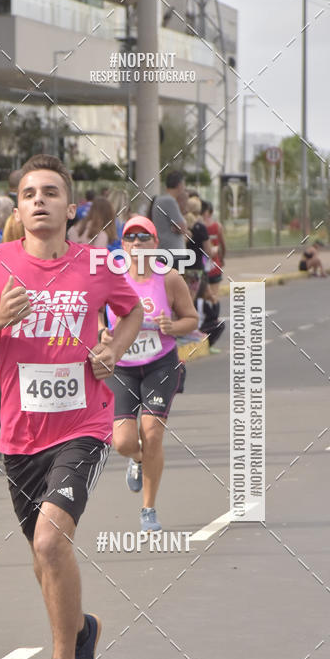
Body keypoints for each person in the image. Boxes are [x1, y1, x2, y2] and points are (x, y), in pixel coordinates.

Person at [0, 154, 143, 659]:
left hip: (84, 423)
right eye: (28, 193)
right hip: (20, 434)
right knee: (44, 556)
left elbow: (129, 315)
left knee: (51, 541)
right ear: (18, 206)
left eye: (50, 192)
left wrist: (114, 349)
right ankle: (80, 629)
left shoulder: (97, 264)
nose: (38, 200)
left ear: (70, 205)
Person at [102, 215, 197, 531]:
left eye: (144, 237)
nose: (137, 243)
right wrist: (102, 332)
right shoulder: (111, 278)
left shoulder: (169, 278)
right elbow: (94, 318)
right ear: (123, 245)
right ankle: (138, 459)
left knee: (152, 433)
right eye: (131, 238)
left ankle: (148, 510)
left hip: (160, 363)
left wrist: (173, 326)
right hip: (123, 368)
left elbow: (192, 320)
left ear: (156, 244)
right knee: (124, 442)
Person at [150, 171, 188, 263]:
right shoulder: (169, 201)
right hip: (173, 253)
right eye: (184, 184)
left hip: (163, 251)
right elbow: (182, 228)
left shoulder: (159, 200)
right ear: (179, 185)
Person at [201, 200, 226, 302]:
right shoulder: (217, 226)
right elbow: (222, 246)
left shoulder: (197, 226)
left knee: (202, 296)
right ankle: (214, 315)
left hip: (201, 264)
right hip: (215, 264)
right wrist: (222, 258)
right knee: (214, 295)